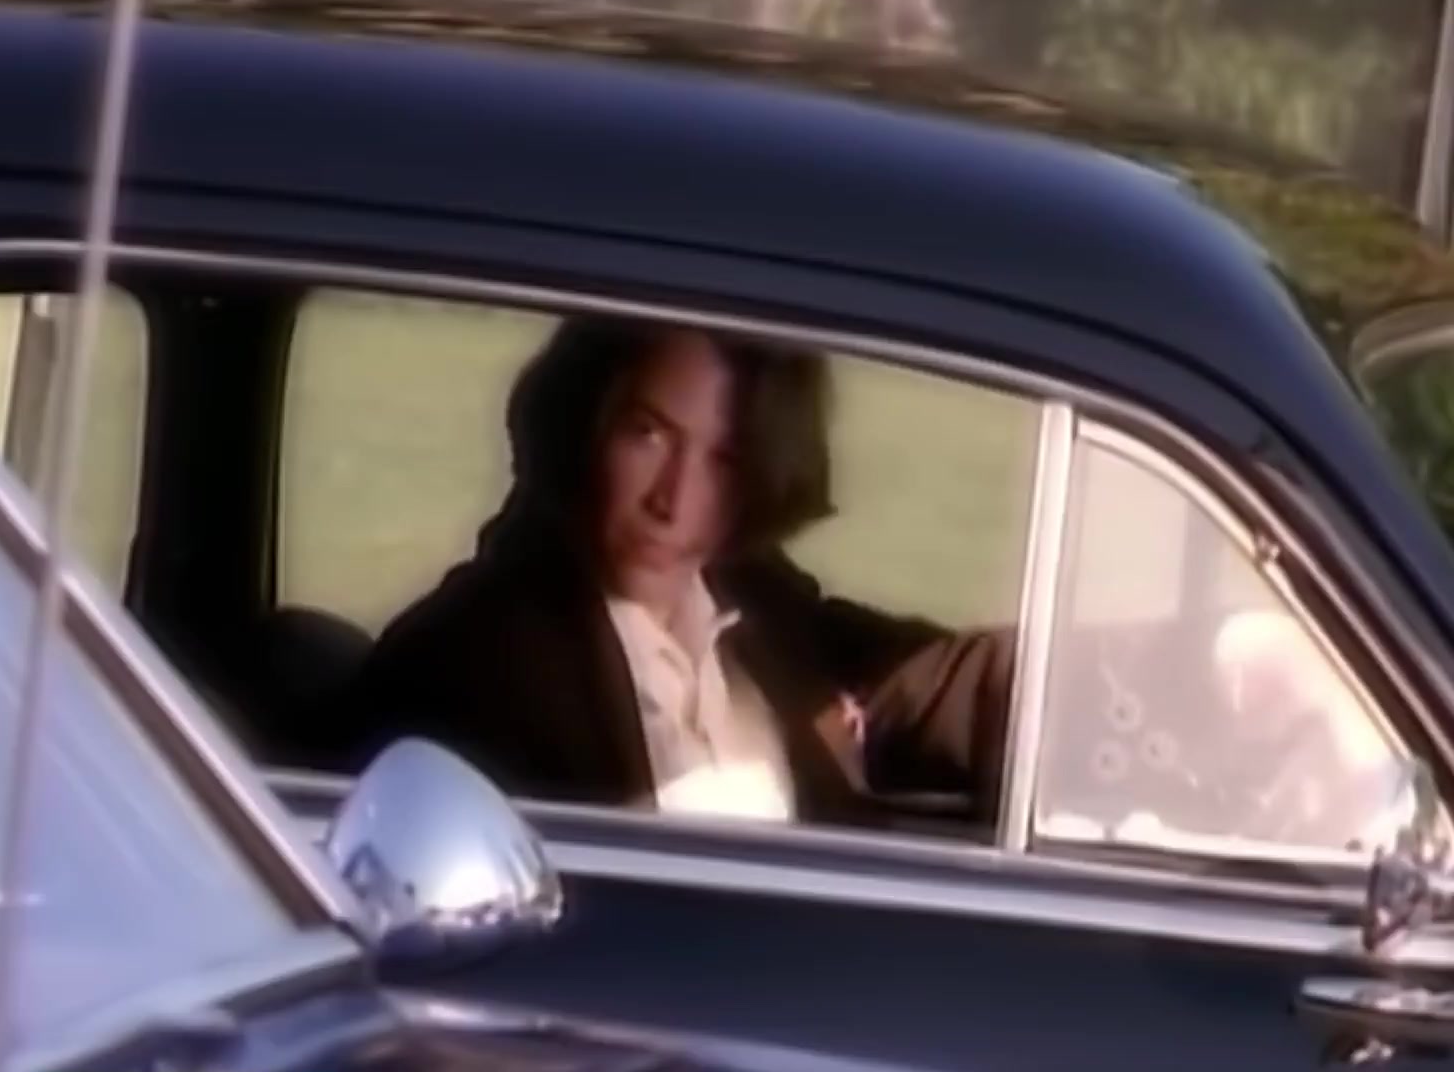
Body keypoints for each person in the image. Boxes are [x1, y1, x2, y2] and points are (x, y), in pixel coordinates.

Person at [337, 317, 1016, 827]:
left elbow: (921, 681)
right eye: (649, 433)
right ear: (585, 420)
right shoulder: (468, 662)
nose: (673, 502)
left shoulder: (759, 607)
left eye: (723, 460)